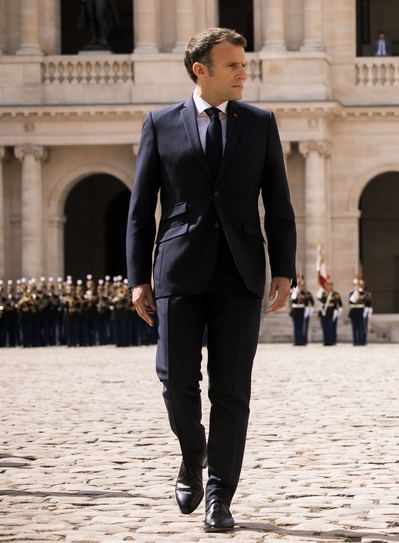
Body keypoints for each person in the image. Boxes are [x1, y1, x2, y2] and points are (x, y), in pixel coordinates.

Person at [126, 27, 297, 533]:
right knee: (175, 379)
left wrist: (284, 269)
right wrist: (138, 277)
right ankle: (191, 451)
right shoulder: (160, 124)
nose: (243, 72)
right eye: (232, 65)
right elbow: (140, 211)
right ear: (201, 70)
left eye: (244, 64)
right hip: (177, 270)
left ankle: (219, 496)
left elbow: (280, 206)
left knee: (231, 390)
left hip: (241, 272)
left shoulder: (261, 124)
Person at [289, 275, 314, 346]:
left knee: (303, 326)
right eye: (299, 286)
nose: (301, 287)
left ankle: (302, 340)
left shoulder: (306, 293)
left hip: (303, 310)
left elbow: (311, 303)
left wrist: (309, 311)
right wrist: (295, 291)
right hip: (295, 310)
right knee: (296, 326)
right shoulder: (294, 293)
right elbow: (292, 299)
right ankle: (296, 340)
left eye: (302, 286)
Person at [316, 276, 341, 346]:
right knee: (324, 327)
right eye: (328, 285)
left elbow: (337, 303)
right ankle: (325, 341)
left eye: (330, 285)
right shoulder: (323, 293)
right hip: (323, 311)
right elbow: (320, 299)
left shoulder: (335, 294)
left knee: (330, 327)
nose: (329, 287)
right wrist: (321, 290)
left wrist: (337, 311)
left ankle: (331, 341)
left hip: (331, 312)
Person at [348, 277, 372, 345]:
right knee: (354, 328)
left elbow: (367, 303)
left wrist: (367, 311)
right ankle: (355, 341)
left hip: (361, 311)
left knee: (361, 327)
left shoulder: (363, 293)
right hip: (353, 311)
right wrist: (355, 294)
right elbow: (350, 301)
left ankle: (361, 341)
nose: (357, 287)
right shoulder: (351, 293)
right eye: (355, 285)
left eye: (358, 285)